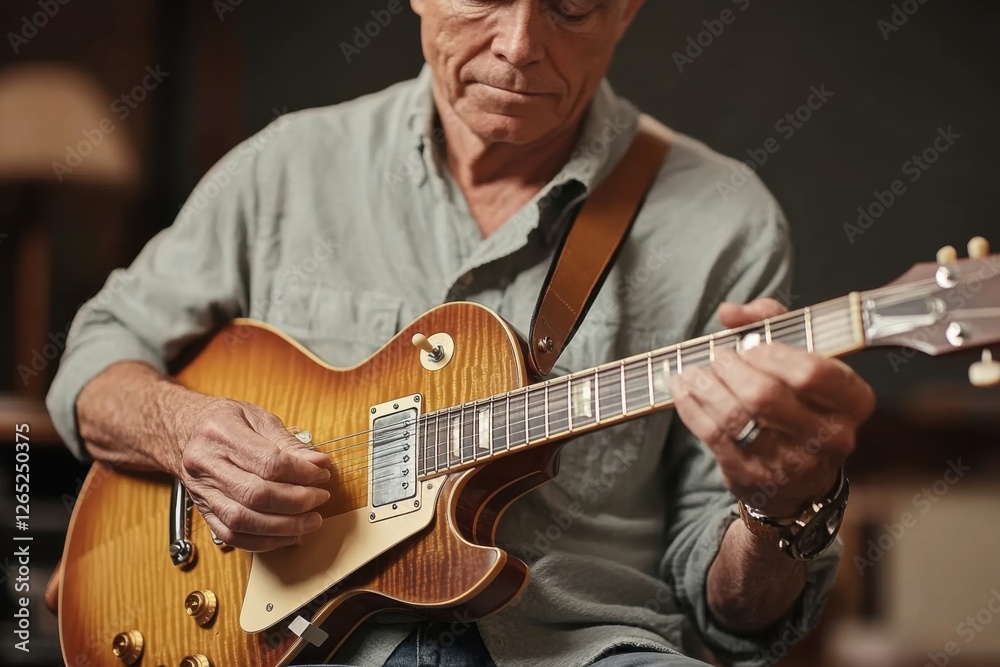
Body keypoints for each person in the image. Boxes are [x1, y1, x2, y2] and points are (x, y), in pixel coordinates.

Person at [47, 1, 876, 665]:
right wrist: (187, 429)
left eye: (571, 8)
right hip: (281, 640)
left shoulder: (728, 222)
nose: (519, 45)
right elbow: (93, 359)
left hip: (581, 645)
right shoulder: (289, 167)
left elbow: (734, 619)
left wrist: (781, 503)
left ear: (628, 10)